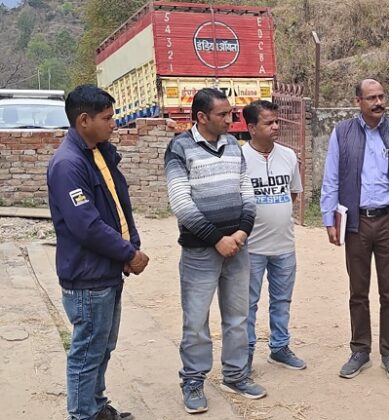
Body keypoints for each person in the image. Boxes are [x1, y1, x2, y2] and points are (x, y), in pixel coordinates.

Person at [47, 84, 150, 420]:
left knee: (101, 348)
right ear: (84, 120)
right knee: (87, 352)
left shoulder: (98, 154)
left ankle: (95, 406)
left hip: (105, 271)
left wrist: (131, 245)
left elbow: (118, 205)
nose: (113, 124)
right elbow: (86, 225)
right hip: (87, 276)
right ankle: (83, 415)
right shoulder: (68, 164)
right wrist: (128, 253)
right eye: (107, 118)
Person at [165, 88, 265, 414]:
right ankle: (193, 380)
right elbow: (181, 203)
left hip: (238, 247)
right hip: (200, 252)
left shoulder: (233, 146)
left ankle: (235, 375)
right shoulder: (180, 148)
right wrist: (216, 239)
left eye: (230, 113)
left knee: (238, 317)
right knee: (195, 321)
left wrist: (241, 232)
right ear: (201, 117)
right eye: (223, 114)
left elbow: (247, 192)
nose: (230, 119)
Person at [320, 78, 389, 381]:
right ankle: (360, 350)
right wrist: (328, 219)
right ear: (358, 102)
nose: (378, 103)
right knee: (358, 291)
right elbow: (331, 178)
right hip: (356, 223)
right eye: (371, 98)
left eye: (381, 97)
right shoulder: (342, 133)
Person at [241, 100, 306, 371]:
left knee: (281, 302)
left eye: (277, 121)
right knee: (247, 305)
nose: (276, 126)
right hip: (251, 248)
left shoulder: (288, 156)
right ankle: (244, 356)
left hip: (284, 245)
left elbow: (292, 193)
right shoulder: (240, 159)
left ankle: (279, 348)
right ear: (251, 128)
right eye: (269, 123)